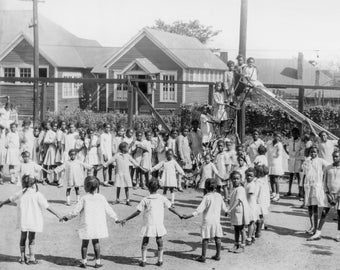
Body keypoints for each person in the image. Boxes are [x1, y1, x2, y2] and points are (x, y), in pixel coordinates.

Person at [118, 179, 182, 267]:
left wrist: (126, 219)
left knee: (145, 241)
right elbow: (171, 208)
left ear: (148, 188)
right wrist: (179, 215)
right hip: (158, 223)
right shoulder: (162, 198)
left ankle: (143, 261)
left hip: (148, 224)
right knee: (159, 240)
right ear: (158, 188)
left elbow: (137, 212)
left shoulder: (145, 199)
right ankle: (160, 260)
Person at [61, 176, 120, 268]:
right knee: (96, 243)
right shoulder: (101, 197)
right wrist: (115, 218)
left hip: (86, 224)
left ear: (86, 187)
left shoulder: (84, 198)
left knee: (84, 244)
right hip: (97, 225)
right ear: (97, 187)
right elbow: (109, 209)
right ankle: (98, 262)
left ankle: (84, 262)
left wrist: (66, 217)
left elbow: (75, 211)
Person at [0, 175, 61, 264]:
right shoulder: (37, 194)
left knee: (23, 238)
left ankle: (22, 257)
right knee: (32, 239)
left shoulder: (21, 192)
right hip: (33, 221)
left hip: (23, 220)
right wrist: (58, 214)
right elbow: (47, 206)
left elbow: (10, 199)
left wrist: (2, 203)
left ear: (23, 184)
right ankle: (32, 257)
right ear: (33, 184)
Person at [182, 178, 227, 262]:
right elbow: (224, 208)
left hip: (207, 221)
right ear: (216, 187)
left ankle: (203, 257)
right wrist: (227, 211)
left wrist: (188, 216)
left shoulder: (206, 197)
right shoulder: (219, 196)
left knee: (205, 238)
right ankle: (218, 255)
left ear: (206, 188)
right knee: (217, 237)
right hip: (216, 221)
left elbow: (199, 210)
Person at [311, 150, 340, 242]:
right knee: (324, 212)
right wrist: (327, 193)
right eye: (333, 156)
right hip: (329, 194)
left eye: (336, 156)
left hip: (339, 195)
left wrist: (337, 197)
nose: (334, 158)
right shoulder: (328, 168)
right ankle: (318, 232)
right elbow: (324, 181)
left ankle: (339, 234)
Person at [301, 146, 328, 239]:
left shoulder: (321, 161)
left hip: (316, 186)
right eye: (312, 152)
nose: (313, 154)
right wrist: (302, 186)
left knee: (315, 207)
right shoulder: (307, 161)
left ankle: (316, 228)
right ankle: (312, 226)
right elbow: (304, 173)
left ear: (318, 153)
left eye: (315, 152)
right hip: (308, 185)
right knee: (309, 206)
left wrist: (323, 176)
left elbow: (328, 167)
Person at [228, 170, 250, 253]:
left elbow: (238, 200)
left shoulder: (240, 189)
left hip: (240, 212)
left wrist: (230, 209)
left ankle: (242, 245)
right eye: (234, 179)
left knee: (241, 229)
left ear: (240, 179)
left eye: (237, 179)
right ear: (231, 179)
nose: (235, 180)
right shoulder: (234, 189)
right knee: (236, 229)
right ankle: (236, 244)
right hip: (235, 212)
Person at [284, 127, 303, 197]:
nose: (294, 134)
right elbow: (284, 145)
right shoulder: (289, 140)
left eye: (295, 133)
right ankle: (289, 191)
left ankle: (300, 192)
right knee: (291, 175)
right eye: (293, 133)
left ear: (298, 133)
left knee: (298, 176)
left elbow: (302, 149)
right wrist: (287, 152)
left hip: (297, 159)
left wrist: (299, 154)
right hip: (291, 159)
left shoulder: (300, 141)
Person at [267, 132, 284, 202]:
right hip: (270, 162)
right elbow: (267, 150)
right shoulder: (269, 143)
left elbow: (279, 154)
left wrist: (277, 150)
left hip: (276, 163)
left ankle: (277, 194)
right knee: (271, 178)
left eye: (279, 137)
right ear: (273, 136)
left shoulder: (279, 145)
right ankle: (273, 193)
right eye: (276, 136)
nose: (277, 138)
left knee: (276, 179)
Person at [244, 168, 259, 245]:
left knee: (251, 222)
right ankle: (252, 235)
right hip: (249, 205)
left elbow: (249, 196)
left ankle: (249, 237)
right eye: (247, 175)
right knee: (252, 222)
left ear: (254, 176)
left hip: (250, 205)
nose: (249, 177)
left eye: (251, 176)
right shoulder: (247, 183)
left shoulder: (252, 185)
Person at [254, 164, 270, 238]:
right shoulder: (265, 181)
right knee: (261, 216)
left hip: (258, 201)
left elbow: (256, 192)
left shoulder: (257, 181)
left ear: (259, 173)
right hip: (264, 201)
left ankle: (258, 230)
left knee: (258, 216)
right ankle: (260, 229)